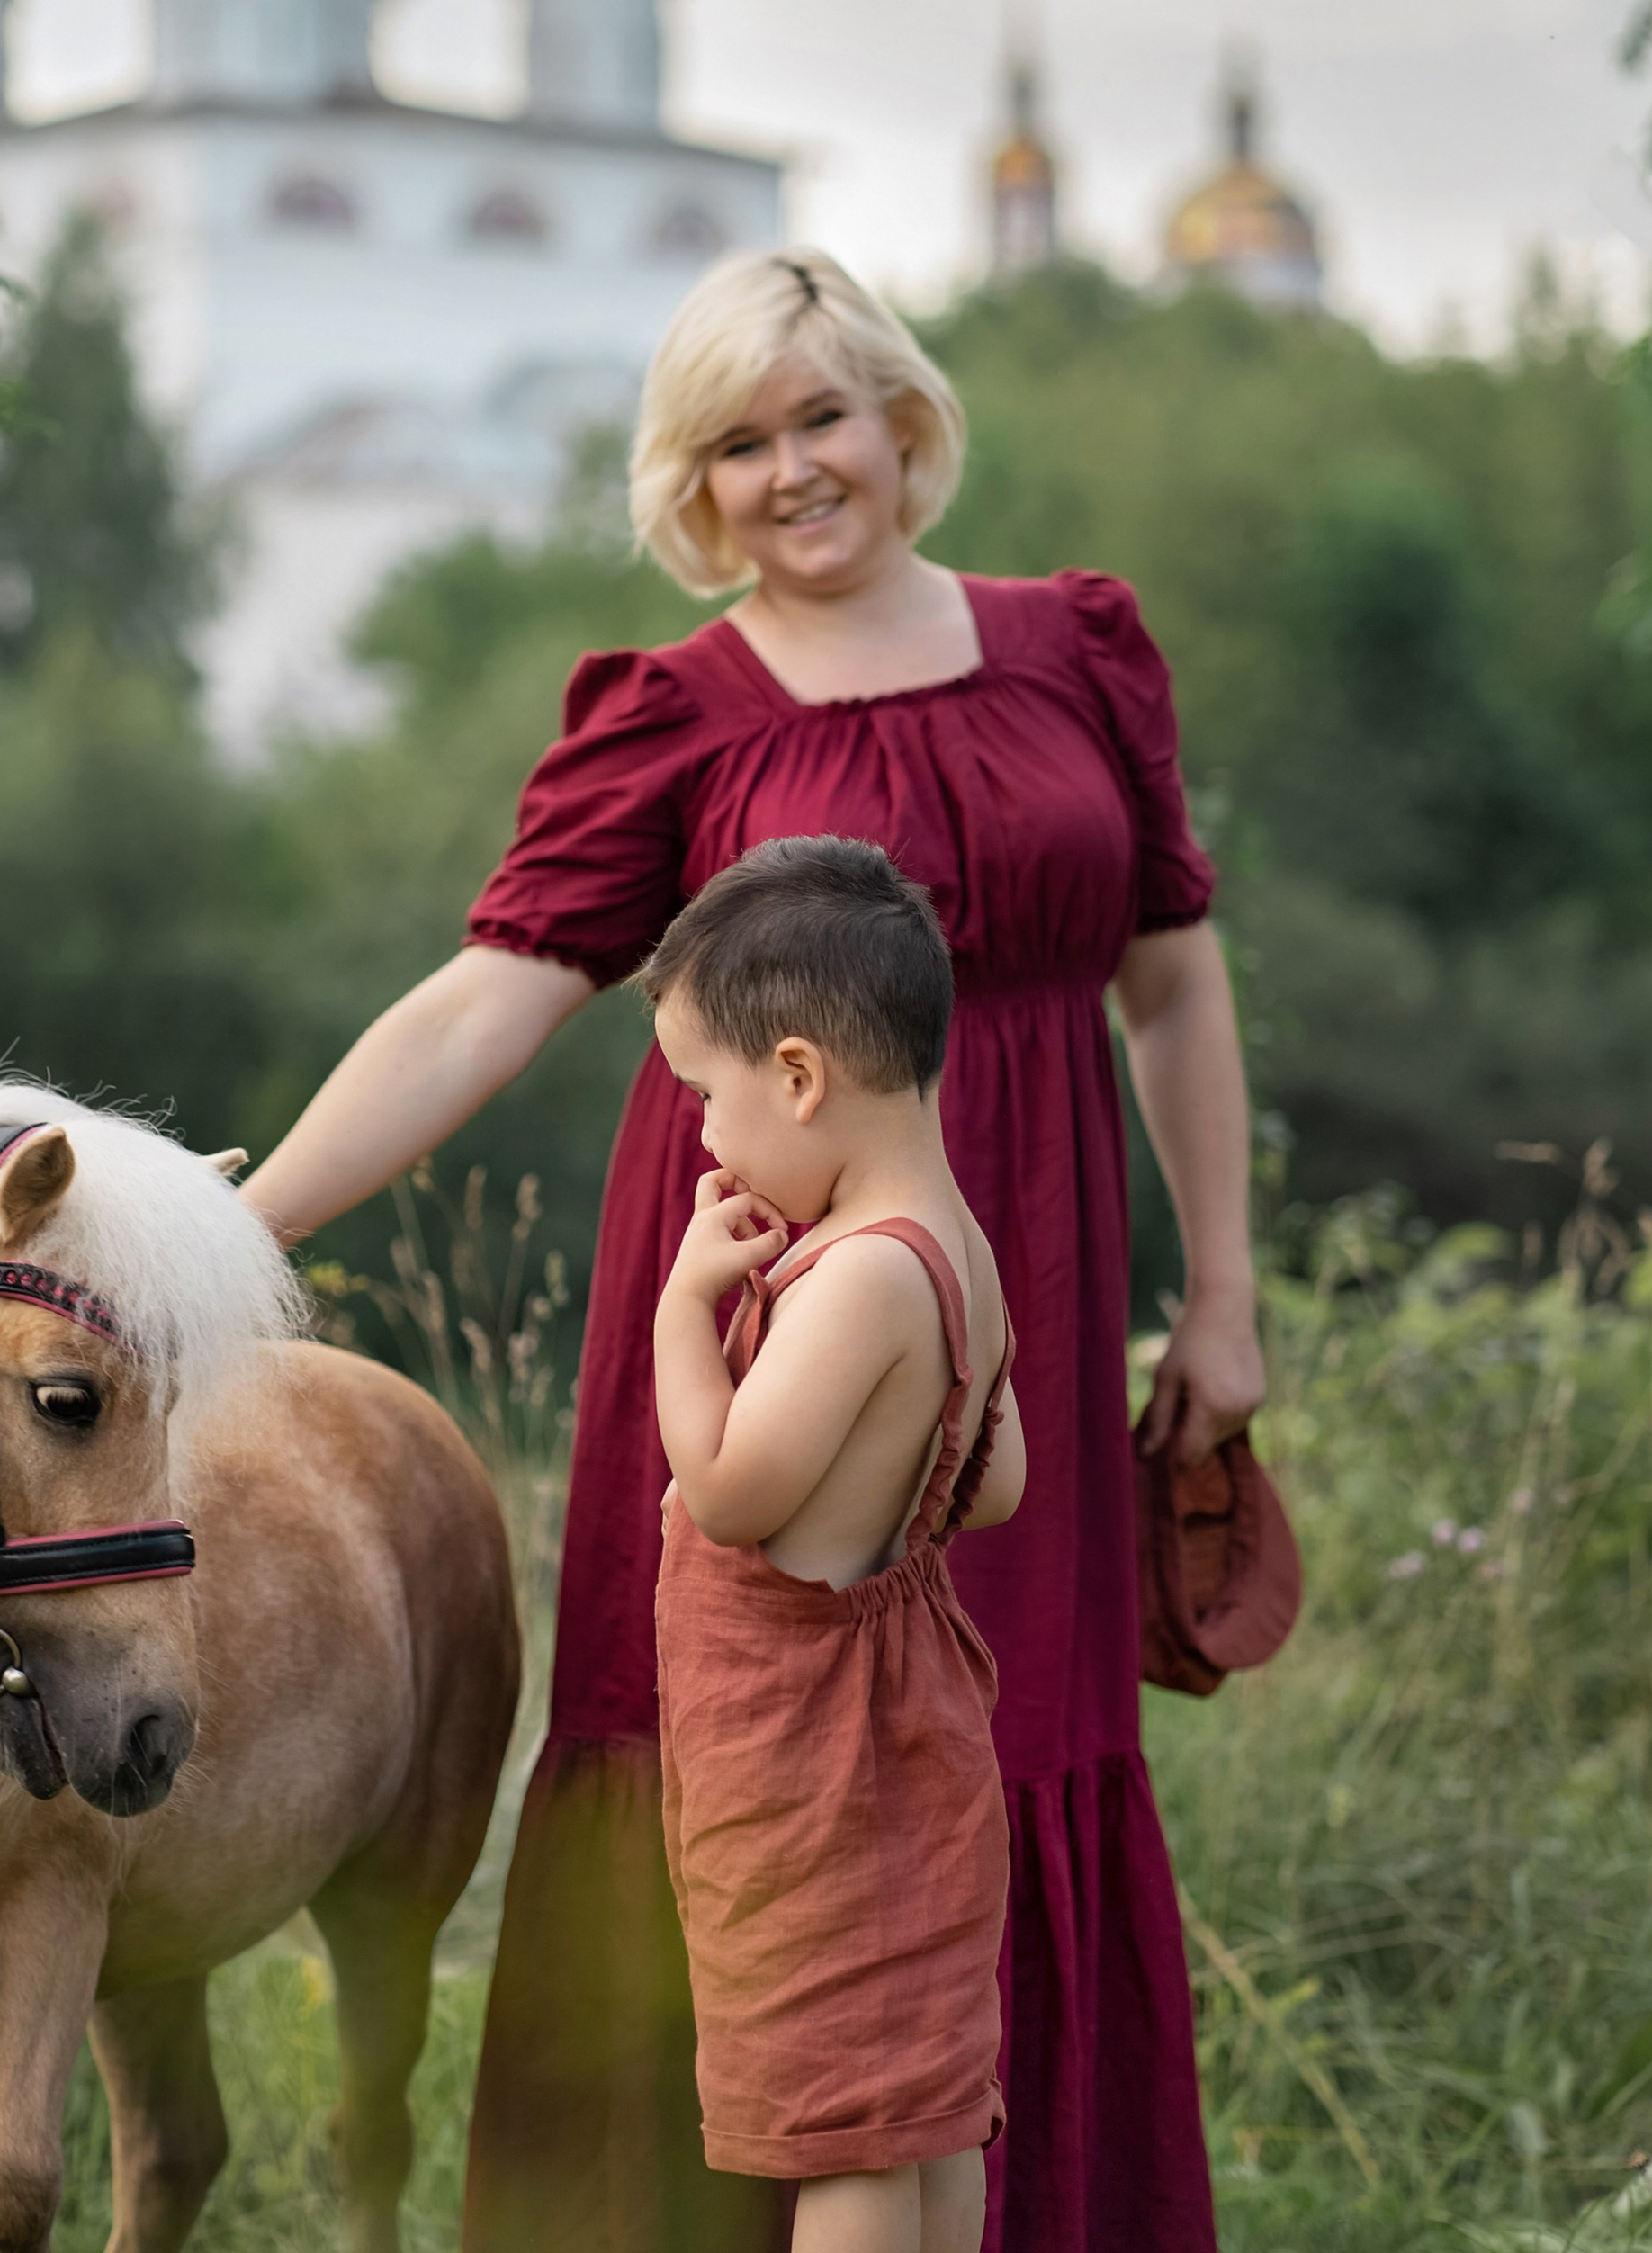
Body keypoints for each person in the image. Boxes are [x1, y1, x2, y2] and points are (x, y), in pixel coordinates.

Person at [239, 245, 1265, 2253]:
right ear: (685, 487)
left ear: (901, 419)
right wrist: (235, 1218)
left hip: (1010, 1299)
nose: (789, 470)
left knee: (1009, 1745)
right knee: (737, 1758)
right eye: (733, 441)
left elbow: (1174, 988)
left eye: (817, 416)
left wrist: (1218, 1289)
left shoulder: (1075, 651)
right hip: (747, 1308)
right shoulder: (672, 718)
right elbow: (480, 1002)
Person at [646, 837, 1024, 2253]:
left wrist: (685, 1313)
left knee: (845, 2130)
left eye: (706, 1095)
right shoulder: (955, 1252)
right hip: (910, 1727)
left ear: (798, 1076)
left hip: (806, 1750)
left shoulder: (858, 1273)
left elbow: (738, 1495)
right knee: (917, 2104)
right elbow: (990, 1484)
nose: (703, 1139)